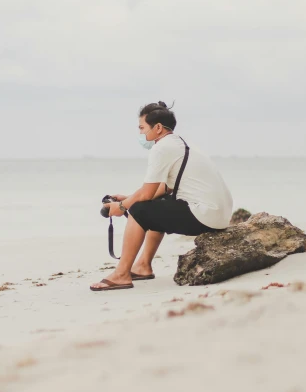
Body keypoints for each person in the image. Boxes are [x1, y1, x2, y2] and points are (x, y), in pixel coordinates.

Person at [90, 101, 233, 292]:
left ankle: (122, 274)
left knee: (139, 209)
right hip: (217, 215)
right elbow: (162, 189)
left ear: (157, 128)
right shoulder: (180, 143)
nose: (141, 134)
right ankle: (142, 266)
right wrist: (128, 197)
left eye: (142, 128)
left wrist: (123, 207)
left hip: (204, 214)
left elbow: (148, 193)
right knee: (150, 205)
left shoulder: (162, 148)